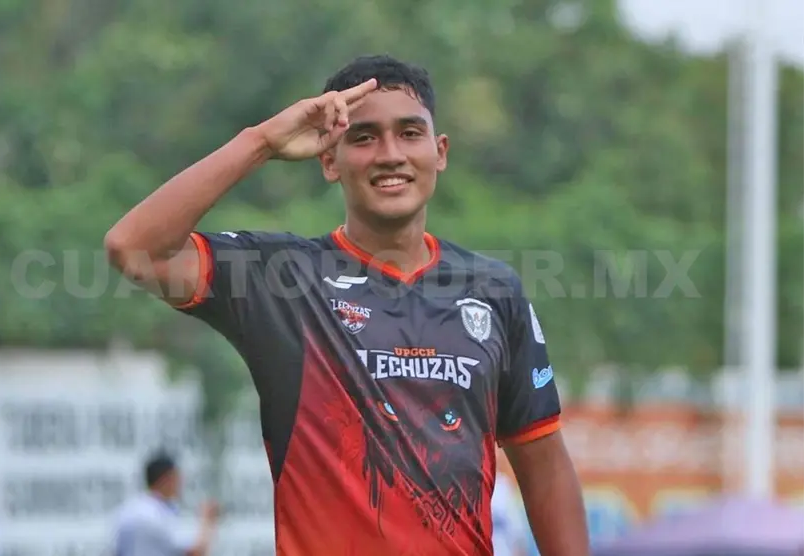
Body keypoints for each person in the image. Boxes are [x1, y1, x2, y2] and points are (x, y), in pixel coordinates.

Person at [106, 54, 589, 555]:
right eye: (363, 137)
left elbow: (545, 467)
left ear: (439, 151)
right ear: (329, 160)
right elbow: (133, 248)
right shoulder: (282, 279)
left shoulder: (494, 291)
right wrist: (262, 142)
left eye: (410, 133)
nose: (390, 154)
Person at [113, 452, 218, 556]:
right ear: (166, 479)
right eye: (177, 477)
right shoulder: (159, 515)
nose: (181, 483)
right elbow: (195, 552)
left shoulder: (127, 510)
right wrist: (207, 520)